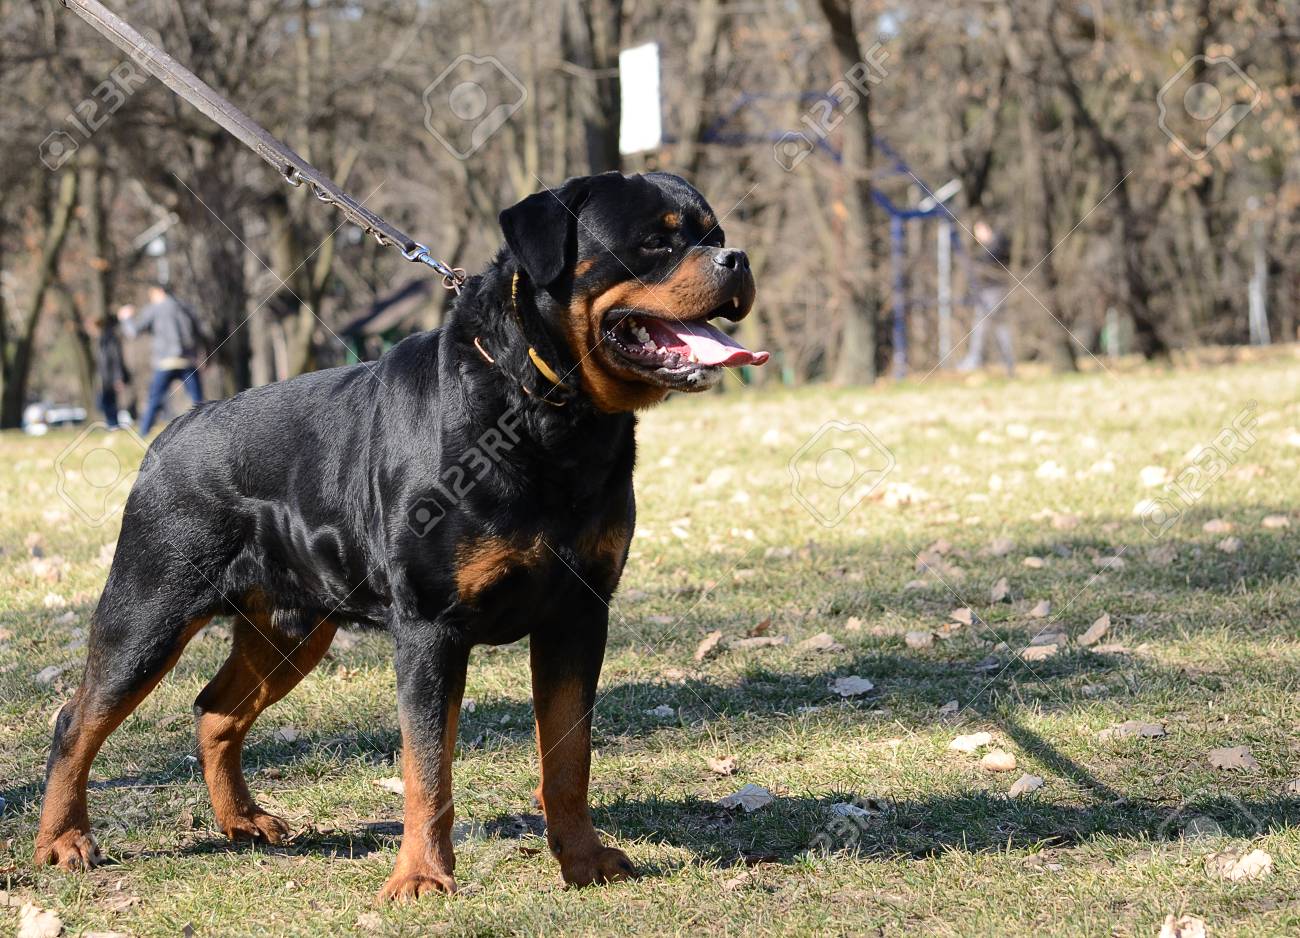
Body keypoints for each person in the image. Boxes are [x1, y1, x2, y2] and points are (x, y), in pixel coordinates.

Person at [118, 284, 204, 434]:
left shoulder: (155, 309)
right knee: (198, 400)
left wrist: (125, 318)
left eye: (151, 294)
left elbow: (133, 332)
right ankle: (206, 429)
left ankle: (143, 432)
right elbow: (199, 331)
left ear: (159, 291)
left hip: (165, 362)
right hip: (187, 360)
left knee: (154, 399)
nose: (151, 298)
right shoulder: (184, 306)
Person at [958, 219, 1016, 376]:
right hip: (988, 291)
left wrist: (974, 262)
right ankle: (1007, 364)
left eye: (980, 230)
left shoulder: (998, 243)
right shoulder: (988, 248)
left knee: (983, 324)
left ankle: (976, 359)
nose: (978, 235)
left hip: (995, 291)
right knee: (998, 327)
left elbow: (989, 259)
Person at [88, 314, 130, 429]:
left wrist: (118, 378)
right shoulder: (101, 340)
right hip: (105, 378)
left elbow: (116, 359)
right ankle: (112, 424)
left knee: (108, 403)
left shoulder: (110, 340)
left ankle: (113, 425)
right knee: (104, 403)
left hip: (111, 378)